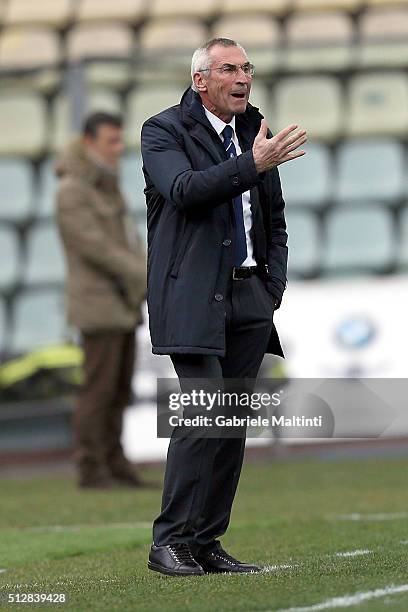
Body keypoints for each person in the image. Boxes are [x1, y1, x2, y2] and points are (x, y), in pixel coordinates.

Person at [141, 38, 307, 575]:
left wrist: (270, 287)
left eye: (247, 68)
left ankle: (206, 541)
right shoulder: (162, 131)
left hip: (249, 296)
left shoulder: (254, 132)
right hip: (192, 296)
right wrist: (251, 164)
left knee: (230, 423)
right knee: (202, 412)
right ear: (201, 81)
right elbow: (186, 191)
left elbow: (274, 221)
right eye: (230, 69)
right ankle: (170, 540)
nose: (243, 78)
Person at [56, 112, 147, 489]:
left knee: (119, 387)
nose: (118, 147)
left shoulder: (105, 184)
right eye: (111, 140)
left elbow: (121, 240)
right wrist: (144, 273)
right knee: (99, 389)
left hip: (121, 300)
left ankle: (114, 460)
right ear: (89, 142)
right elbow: (94, 247)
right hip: (97, 302)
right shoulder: (72, 190)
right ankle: (91, 467)